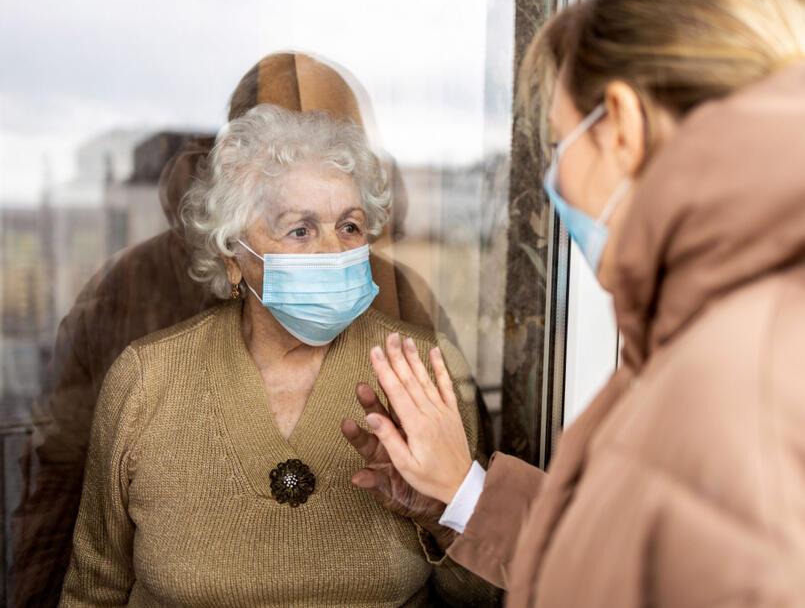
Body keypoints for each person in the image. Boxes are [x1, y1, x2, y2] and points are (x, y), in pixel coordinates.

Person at [342, 0, 805, 605]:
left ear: (620, 125)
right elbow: (633, 554)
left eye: (560, 144)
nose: (555, 180)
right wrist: (464, 494)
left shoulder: (736, 378)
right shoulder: (710, 336)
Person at [12, 51, 489, 606]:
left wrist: (444, 510)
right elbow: (94, 588)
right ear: (234, 256)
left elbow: (482, 595)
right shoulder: (146, 380)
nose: (333, 251)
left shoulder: (425, 372)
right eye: (301, 229)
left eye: (350, 226)